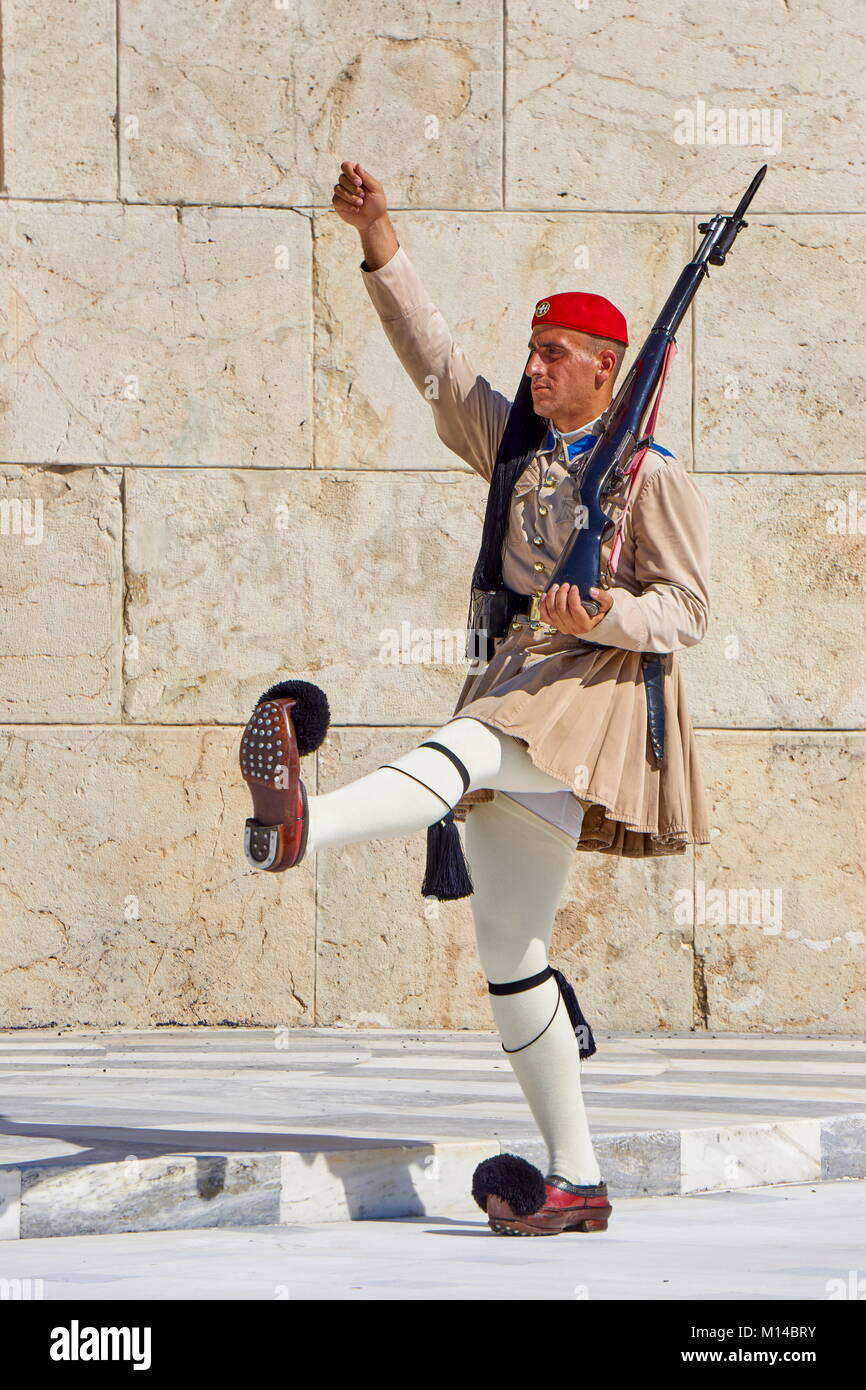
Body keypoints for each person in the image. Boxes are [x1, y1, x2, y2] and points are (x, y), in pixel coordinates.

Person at [240, 161, 711, 1236]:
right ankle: (578, 1179)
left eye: (554, 355)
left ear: (605, 371)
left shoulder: (652, 474)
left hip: (586, 696)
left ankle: (306, 822)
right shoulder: (516, 448)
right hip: (519, 676)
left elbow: (682, 609)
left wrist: (602, 615)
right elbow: (436, 366)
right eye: (535, 350)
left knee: (469, 743)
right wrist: (380, 239)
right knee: (510, 954)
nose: (534, 366)